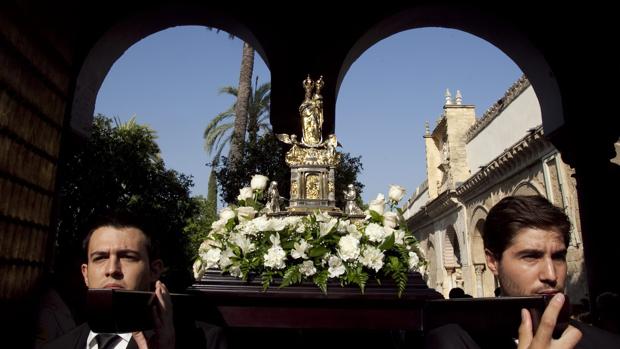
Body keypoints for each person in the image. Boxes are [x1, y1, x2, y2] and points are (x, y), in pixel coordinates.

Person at [426, 195, 620, 349]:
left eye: (558, 256)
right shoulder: (455, 341)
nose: (551, 275)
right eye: (531, 257)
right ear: (493, 261)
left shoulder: (606, 343)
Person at [43, 214, 226, 349]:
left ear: (154, 270)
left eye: (128, 257)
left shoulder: (205, 341)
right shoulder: (56, 346)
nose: (112, 269)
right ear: (85, 274)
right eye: (100, 258)